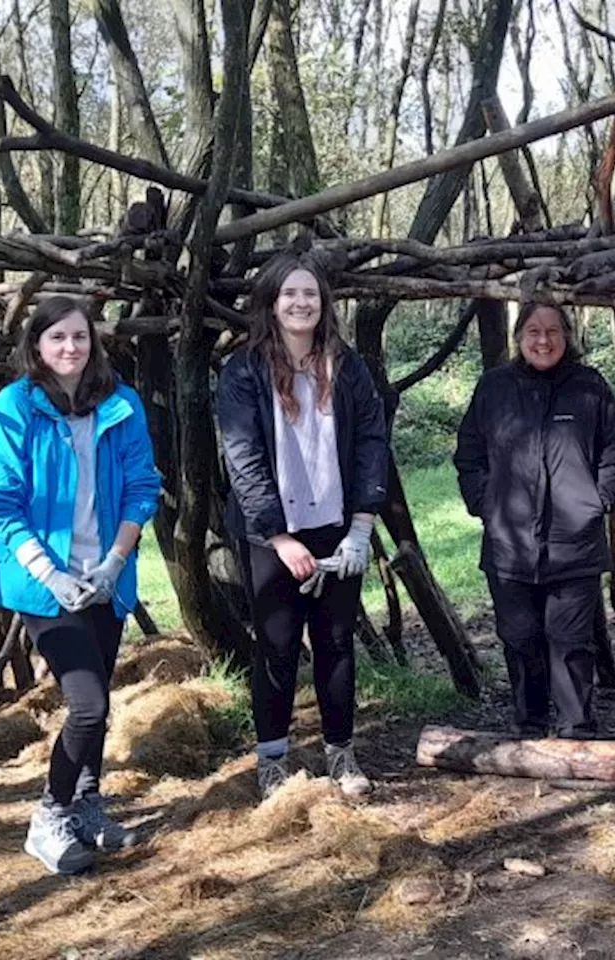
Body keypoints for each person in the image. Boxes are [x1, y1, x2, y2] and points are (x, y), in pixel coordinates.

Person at [0, 295, 161, 875]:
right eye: (57, 339)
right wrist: (49, 571)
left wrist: (113, 563)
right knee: (87, 703)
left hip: (105, 579)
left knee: (97, 704)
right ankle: (48, 815)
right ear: (37, 347)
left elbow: (142, 487)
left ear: (93, 343)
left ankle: (87, 805)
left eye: (79, 337)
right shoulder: (12, 411)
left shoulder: (121, 406)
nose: (70, 348)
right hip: (42, 583)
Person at [217, 252, 389, 801]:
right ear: (270, 301)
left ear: (324, 303)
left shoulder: (348, 367)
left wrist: (361, 528)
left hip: (336, 527)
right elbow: (241, 458)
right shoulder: (243, 372)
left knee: (337, 641)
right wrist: (279, 537)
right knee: (277, 645)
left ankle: (342, 753)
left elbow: (371, 443)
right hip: (271, 534)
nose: (300, 303)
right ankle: (273, 761)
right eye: (289, 293)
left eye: (310, 294)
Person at [454, 302, 615, 739]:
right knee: (520, 637)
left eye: (553, 331)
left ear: (567, 336)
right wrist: (485, 503)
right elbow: (469, 453)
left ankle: (576, 730)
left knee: (570, 641)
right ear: (519, 338)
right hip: (508, 543)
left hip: (575, 542)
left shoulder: (589, 388)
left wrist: (601, 500)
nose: (543, 340)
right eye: (533, 331)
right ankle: (529, 725)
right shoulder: (494, 388)